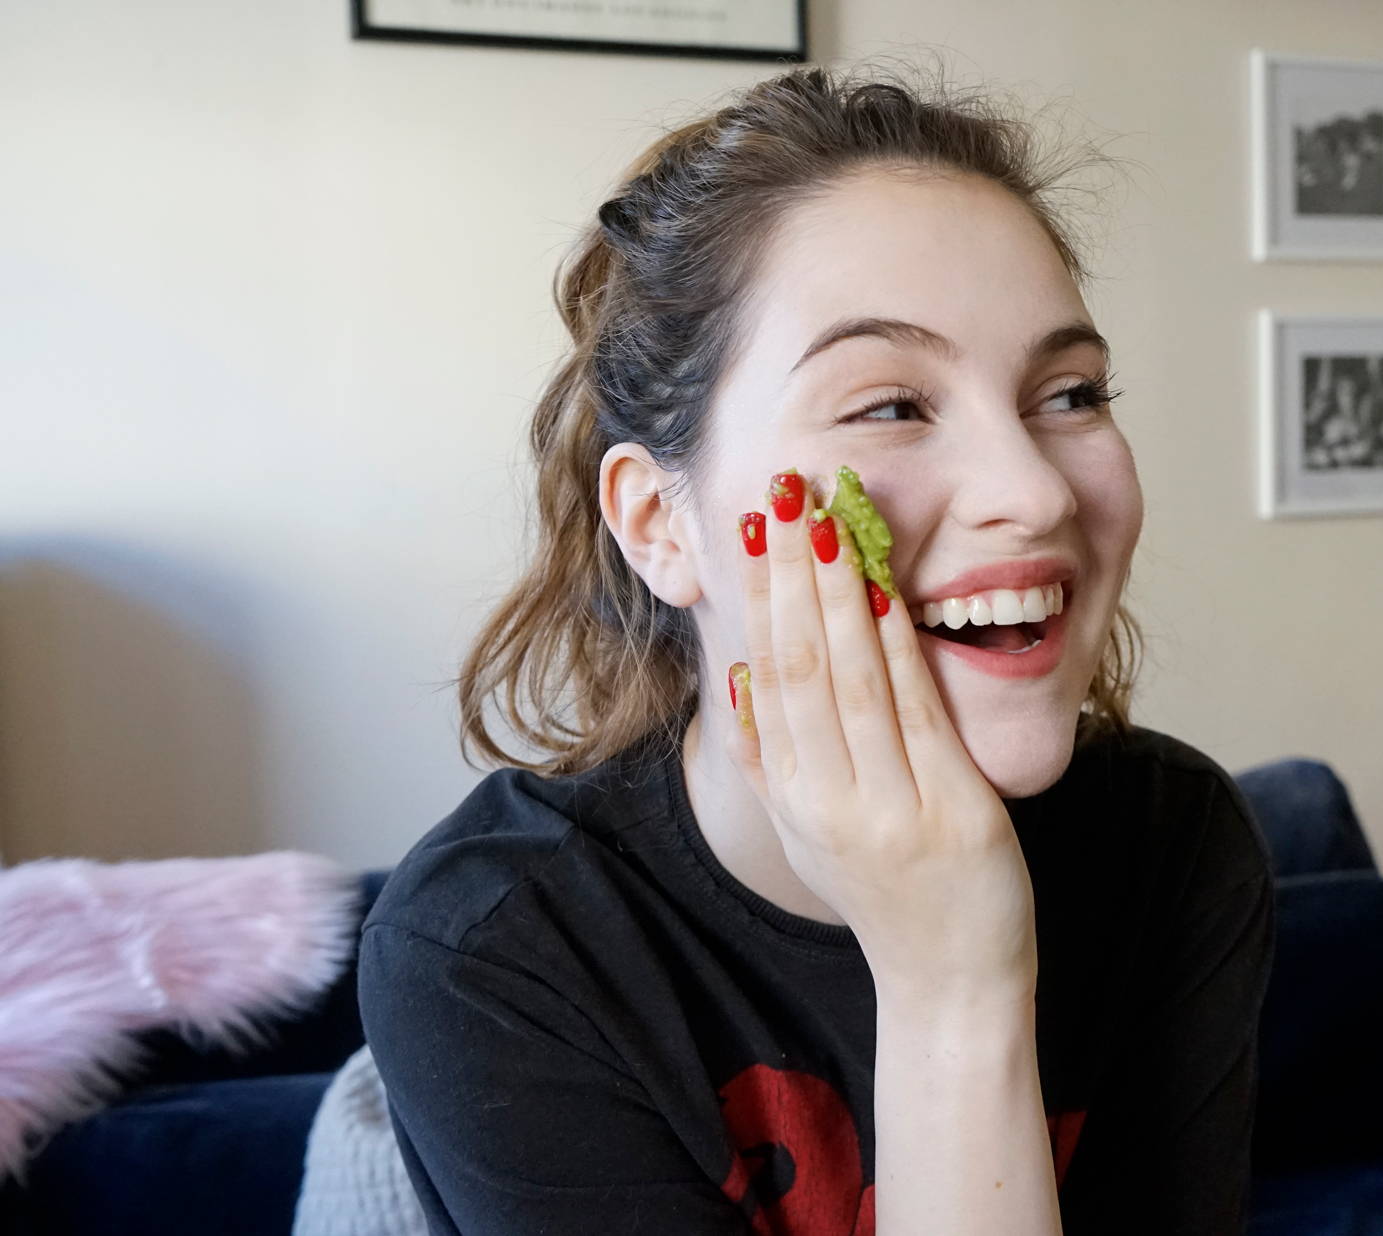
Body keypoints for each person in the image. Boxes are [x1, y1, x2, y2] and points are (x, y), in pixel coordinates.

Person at [357, 55, 1275, 1235]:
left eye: (1071, 394)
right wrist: (951, 985)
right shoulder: (491, 956)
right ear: (659, 523)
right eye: (891, 404)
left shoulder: (1179, 846)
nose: (1033, 493)